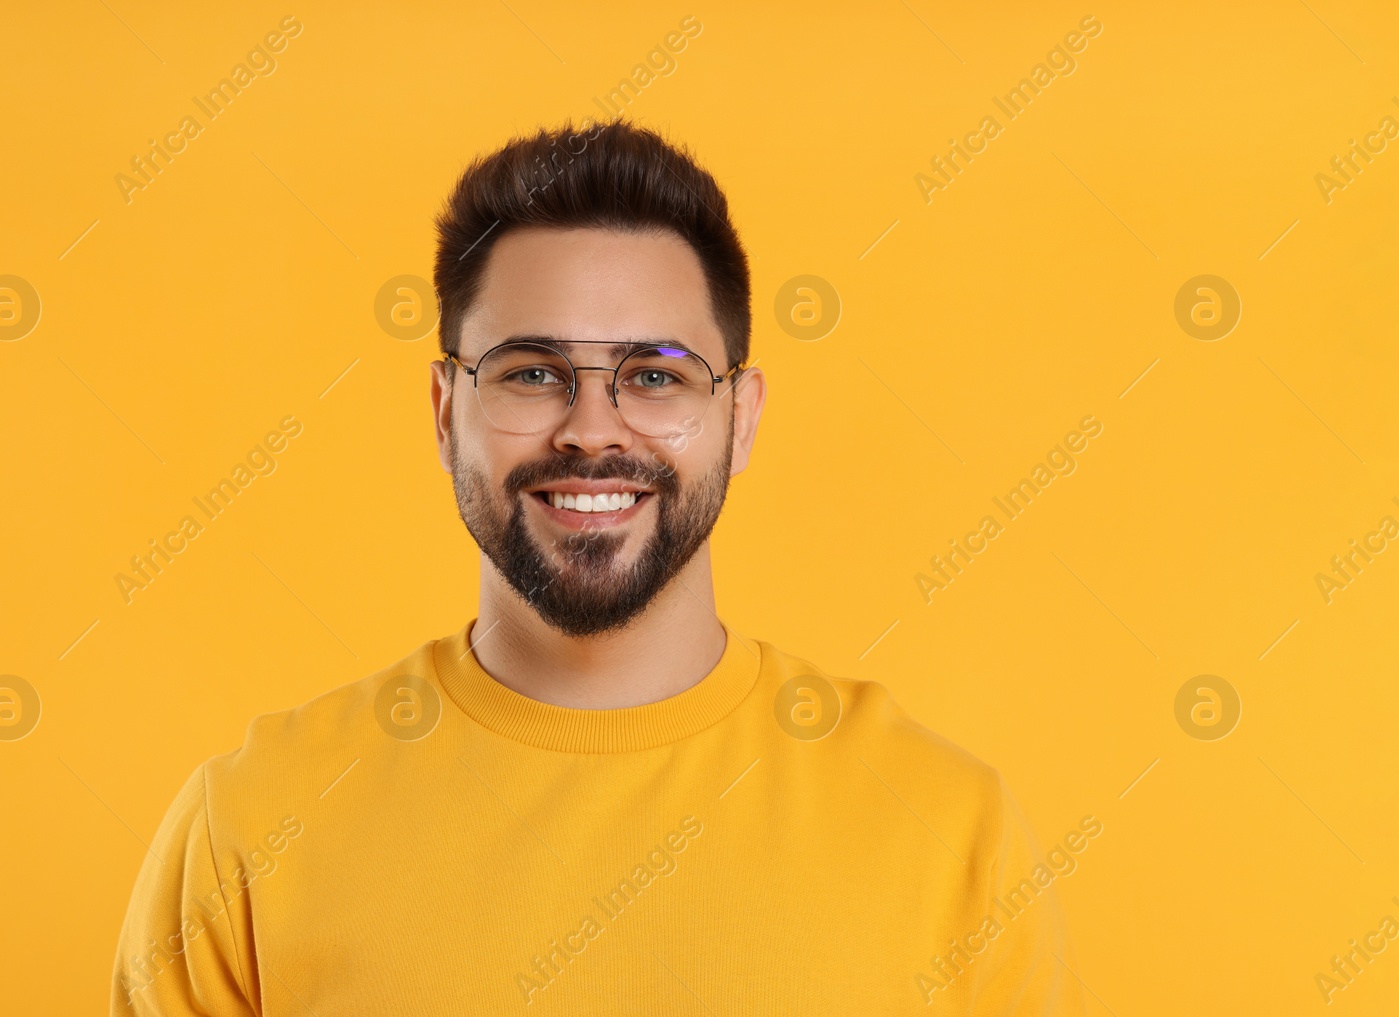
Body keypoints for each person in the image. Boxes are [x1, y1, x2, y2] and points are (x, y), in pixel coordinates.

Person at [111, 119, 1083, 1015]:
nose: (589, 432)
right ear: (446, 411)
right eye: (531, 373)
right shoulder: (251, 825)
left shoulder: (948, 833)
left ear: (740, 419)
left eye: (654, 376)